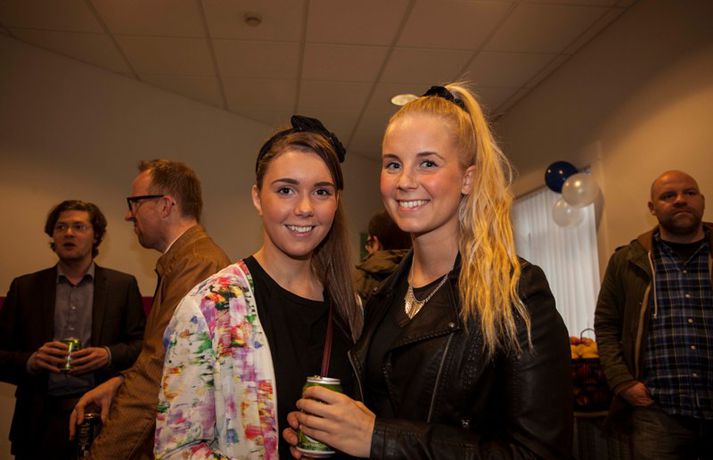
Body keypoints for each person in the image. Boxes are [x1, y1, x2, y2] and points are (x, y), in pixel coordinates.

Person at [284, 83, 572, 458]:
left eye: (428, 163)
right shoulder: (379, 297)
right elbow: (371, 422)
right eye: (393, 164)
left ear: (467, 178)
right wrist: (332, 436)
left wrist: (377, 437)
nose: (405, 181)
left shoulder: (516, 293)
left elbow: (538, 453)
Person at [153, 115, 362, 459]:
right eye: (285, 190)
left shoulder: (351, 307)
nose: (305, 208)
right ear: (257, 197)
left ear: (336, 201)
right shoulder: (211, 307)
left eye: (321, 192)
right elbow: (177, 451)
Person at [70, 160, 231, 459]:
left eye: (135, 203)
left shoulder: (196, 263)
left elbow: (157, 373)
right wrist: (120, 382)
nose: (128, 214)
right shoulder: (184, 260)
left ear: (165, 206)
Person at [0, 200, 145, 459]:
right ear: (52, 236)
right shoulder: (25, 287)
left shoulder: (122, 286)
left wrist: (108, 354)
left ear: (96, 236)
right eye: (61, 227)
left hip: (101, 418)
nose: (68, 233)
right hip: (37, 422)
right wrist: (32, 361)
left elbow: (142, 347)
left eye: (79, 227)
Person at [594, 170, 712, 459]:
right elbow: (606, 325)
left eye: (689, 193)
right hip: (657, 414)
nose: (680, 200)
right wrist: (622, 381)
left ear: (702, 200)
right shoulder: (627, 260)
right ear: (652, 208)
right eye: (668, 196)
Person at [354, 210, 411, 305]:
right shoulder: (420, 273)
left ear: (376, 243)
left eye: (369, 243)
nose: (367, 248)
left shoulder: (359, 279)